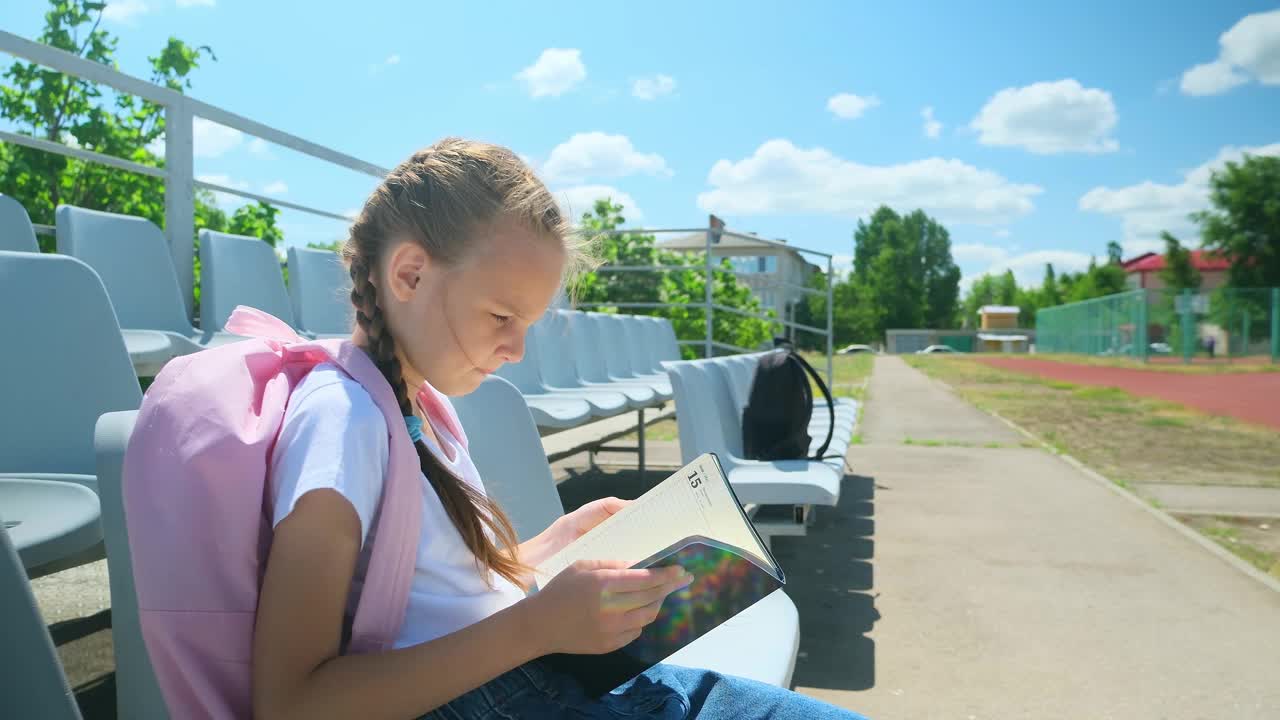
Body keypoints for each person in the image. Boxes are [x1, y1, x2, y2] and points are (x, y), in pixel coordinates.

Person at [251, 138, 868, 720]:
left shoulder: (420, 408)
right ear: (409, 274)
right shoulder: (342, 421)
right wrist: (536, 626)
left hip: (541, 682)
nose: (516, 349)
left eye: (529, 324)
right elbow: (291, 704)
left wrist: (549, 548)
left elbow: (433, 599)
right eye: (501, 315)